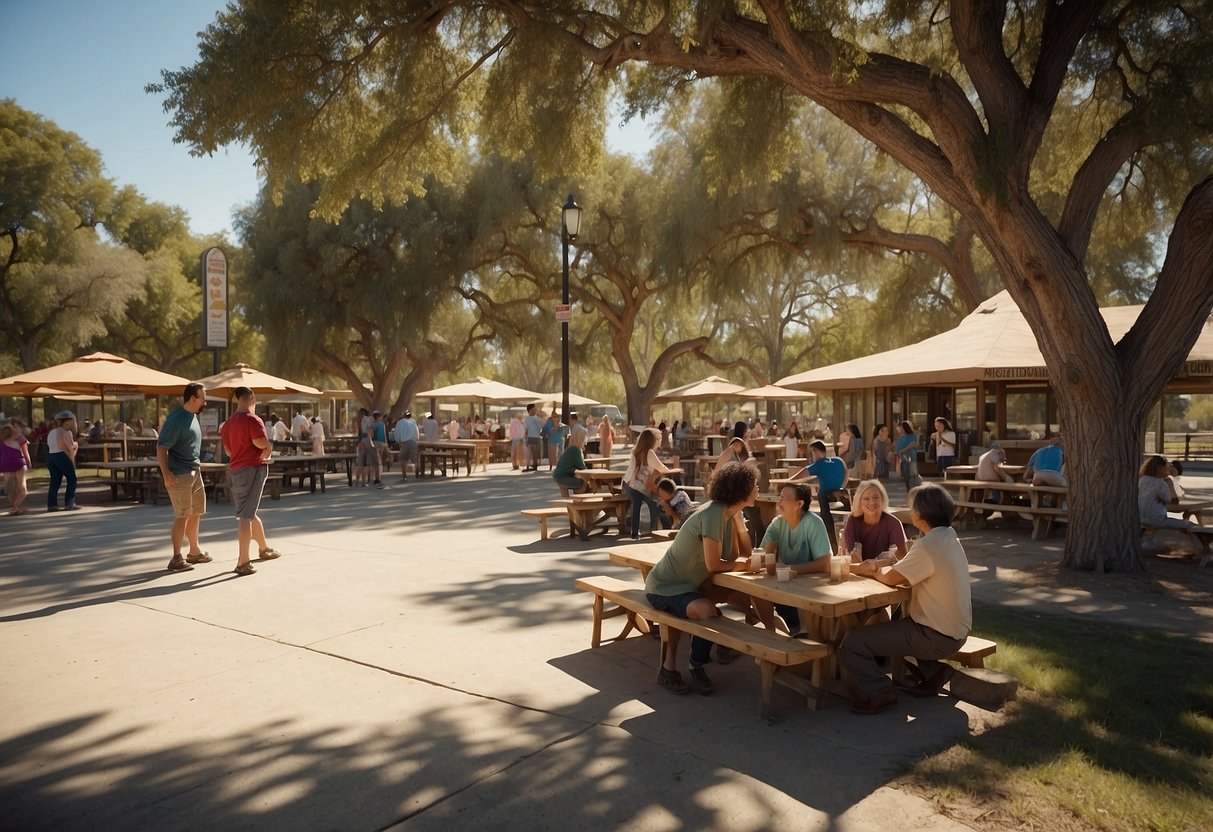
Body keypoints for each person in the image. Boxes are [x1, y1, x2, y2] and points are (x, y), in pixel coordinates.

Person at [843, 483, 972, 715]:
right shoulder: (950, 537)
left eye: (912, 506)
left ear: (921, 514)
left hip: (935, 636)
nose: (909, 510)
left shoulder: (928, 545)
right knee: (901, 623)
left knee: (852, 644)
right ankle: (935, 673)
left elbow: (891, 578)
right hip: (956, 631)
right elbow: (905, 572)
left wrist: (870, 568)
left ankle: (882, 691)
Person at [645, 461, 758, 695]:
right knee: (708, 611)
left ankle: (715, 651)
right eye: (754, 485)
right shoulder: (714, 514)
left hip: (687, 586)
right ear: (742, 490)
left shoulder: (726, 514)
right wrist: (739, 565)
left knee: (723, 602)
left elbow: (739, 555)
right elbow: (715, 564)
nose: (757, 489)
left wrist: (738, 521)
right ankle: (688, 667)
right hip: (665, 588)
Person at [751, 482, 832, 635]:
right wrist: (768, 551)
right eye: (779, 497)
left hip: (813, 592)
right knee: (755, 590)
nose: (779, 502)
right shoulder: (777, 523)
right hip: (787, 588)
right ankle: (773, 631)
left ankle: (802, 631)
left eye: (783, 498)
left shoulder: (813, 522)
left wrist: (790, 570)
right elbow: (762, 555)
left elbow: (826, 564)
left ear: (799, 504)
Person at [220, 387, 282, 576]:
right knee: (246, 515)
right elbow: (259, 442)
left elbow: (229, 452)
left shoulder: (228, 424)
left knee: (248, 511)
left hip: (236, 470)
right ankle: (243, 561)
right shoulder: (253, 420)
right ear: (252, 398)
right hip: (253, 468)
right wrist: (268, 446)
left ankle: (263, 548)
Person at [157, 384, 211, 571]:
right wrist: (166, 474)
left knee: (196, 512)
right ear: (192, 398)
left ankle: (194, 552)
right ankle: (176, 557)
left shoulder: (193, 416)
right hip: (180, 473)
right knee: (183, 514)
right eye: (203, 397)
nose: (205, 401)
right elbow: (161, 448)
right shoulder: (176, 419)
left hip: (195, 471)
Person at [790, 440, 850, 551]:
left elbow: (801, 474)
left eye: (812, 452)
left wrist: (787, 481)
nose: (811, 456)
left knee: (818, 495)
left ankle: (829, 540)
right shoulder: (839, 460)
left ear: (815, 451)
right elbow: (846, 474)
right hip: (842, 497)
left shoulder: (819, 464)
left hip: (826, 499)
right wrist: (840, 487)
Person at [623, 427, 674, 538]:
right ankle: (653, 530)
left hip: (628, 485)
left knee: (637, 506)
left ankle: (635, 532)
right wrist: (672, 471)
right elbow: (662, 468)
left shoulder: (636, 450)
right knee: (655, 504)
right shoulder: (649, 453)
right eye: (659, 438)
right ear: (654, 440)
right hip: (637, 486)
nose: (660, 440)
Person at [842, 480, 908, 560]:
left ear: (882, 499)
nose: (872, 502)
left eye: (876, 497)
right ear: (859, 501)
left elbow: (902, 557)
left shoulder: (893, 523)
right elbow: (848, 555)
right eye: (866, 499)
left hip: (886, 570)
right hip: (857, 569)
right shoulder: (852, 521)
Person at [1138, 455, 1195, 531]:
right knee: (1190, 524)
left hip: (1140, 518)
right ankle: (1196, 542)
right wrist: (1170, 482)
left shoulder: (1141, 480)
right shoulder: (1160, 483)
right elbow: (1171, 501)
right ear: (1162, 469)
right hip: (1157, 519)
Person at [45, 411, 81, 512]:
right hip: (61, 455)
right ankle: (69, 503)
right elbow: (68, 447)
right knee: (72, 478)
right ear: (67, 421)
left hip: (51, 456)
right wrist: (75, 445)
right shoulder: (65, 432)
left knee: (55, 481)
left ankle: (52, 504)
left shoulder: (52, 432)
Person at [1, 420, 32, 515]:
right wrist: (29, 463)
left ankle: (15, 507)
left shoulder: (1, 442)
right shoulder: (20, 440)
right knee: (22, 489)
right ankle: (15, 507)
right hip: (19, 464)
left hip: (5, 465)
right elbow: (25, 453)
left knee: (11, 488)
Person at [552, 427, 588, 494]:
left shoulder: (570, 448)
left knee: (578, 478)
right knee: (583, 482)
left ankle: (574, 500)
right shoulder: (576, 450)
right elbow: (582, 467)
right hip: (563, 477)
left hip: (558, 475)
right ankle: (579, 501)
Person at [895, 421, 920, 490]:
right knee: (906, 474)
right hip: (903, 457)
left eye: (901, 428)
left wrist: (902, 451)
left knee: (912, 473)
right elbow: (897, 448)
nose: (900, 429)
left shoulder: (912, 436)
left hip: (910, 456)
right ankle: (908, 488)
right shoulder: (899, 438)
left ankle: (914, 488)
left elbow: (913, 444)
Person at [393, 410, 419, 479]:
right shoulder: (413, 422)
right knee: (414, 459)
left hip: (404, 442)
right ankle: (417, 472)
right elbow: (417, 432)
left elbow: (396, 432)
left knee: (403, 460)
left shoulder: (400, 422)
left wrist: (398, 441)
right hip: (413, 441)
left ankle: (404, 476)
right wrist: (417, 439)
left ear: (404, 415)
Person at [523, 404, 543, 472]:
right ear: (529, 411)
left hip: (535, 437)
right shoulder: (528, 419)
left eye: (535, 410)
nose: (535, 411)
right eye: (533, 410)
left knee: (534, 452)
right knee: (530, 452)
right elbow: (525, 429)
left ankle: (534, 465)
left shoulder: (537, 419)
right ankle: (530, 465)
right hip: (531, 436)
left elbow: (541, 427)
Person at [371, 411, 388, 487]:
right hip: (382, 443)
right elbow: (385, 434)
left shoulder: (373, 425)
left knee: (375, 461)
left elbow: (371, 435)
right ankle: (379, 477)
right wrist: (386, 443)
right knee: (380, 460)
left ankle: (375, 477)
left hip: (375, 442)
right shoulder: (382, 424)